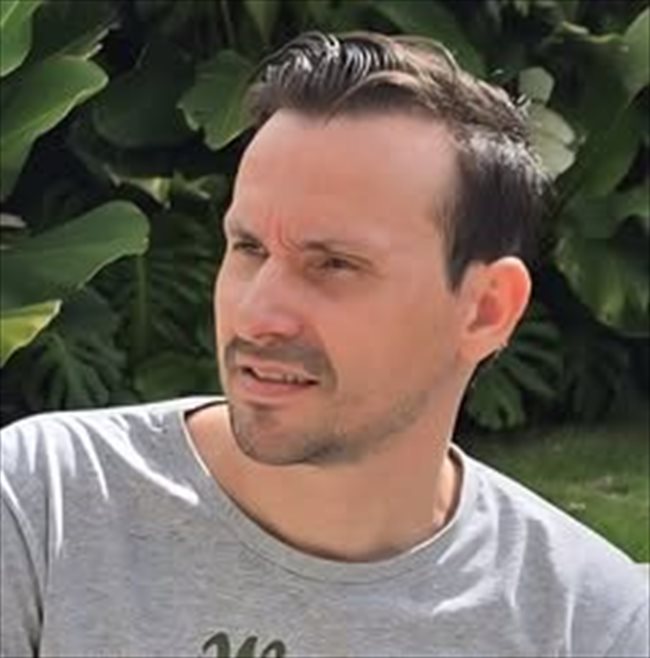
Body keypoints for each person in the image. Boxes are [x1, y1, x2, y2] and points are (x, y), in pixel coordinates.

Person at [1, 31, 647, 658]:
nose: (258, 314)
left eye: (334, 264)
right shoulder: (45, 507)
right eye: (249, 248)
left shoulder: (587, 625)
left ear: (485, 310)